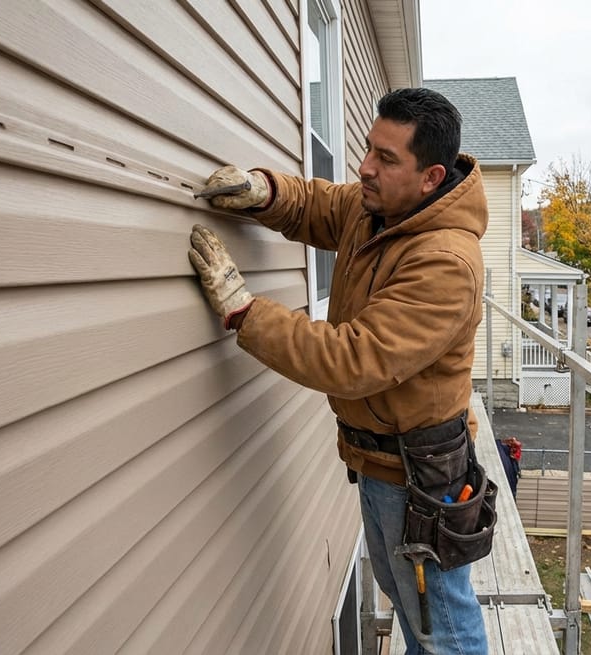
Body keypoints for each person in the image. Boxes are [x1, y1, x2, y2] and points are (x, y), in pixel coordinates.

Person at [187, 87, 489, 654]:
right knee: (411, 606)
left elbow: (355, 359)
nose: (365, 167)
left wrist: (244, 312)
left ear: (431, 177)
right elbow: (318, 206)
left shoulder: (445, 262)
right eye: (369, 148)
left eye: (386, 158)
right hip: (380, 462)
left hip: (419, 477)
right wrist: (263, 191)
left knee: (442, 629)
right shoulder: (381, 209)